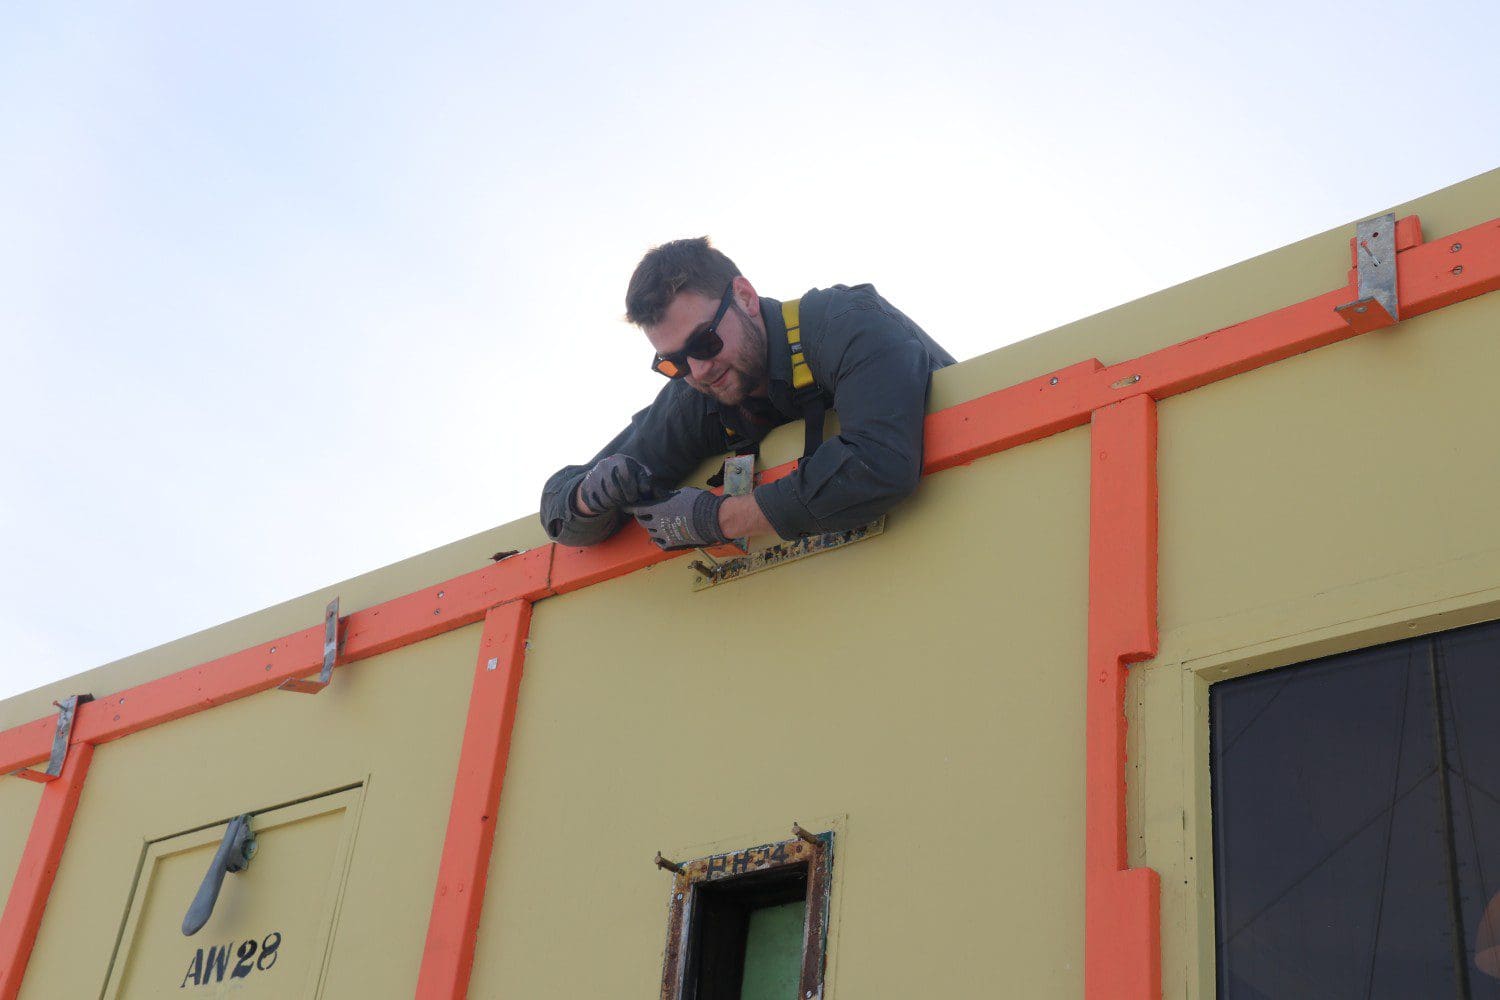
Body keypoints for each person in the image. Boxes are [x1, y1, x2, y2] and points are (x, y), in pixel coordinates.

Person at [539, 237, 956, 551]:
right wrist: (588, 497)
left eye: (704, 342)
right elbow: (559, 504)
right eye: (674, 363)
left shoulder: (843, 322)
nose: (698, 370)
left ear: (745, 297)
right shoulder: (697, 394)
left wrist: (719, 518)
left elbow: (879, 462)